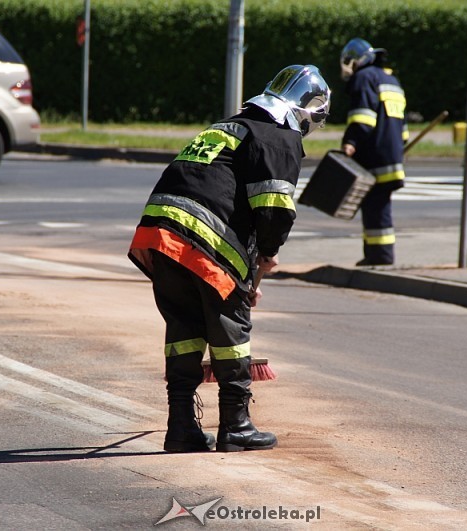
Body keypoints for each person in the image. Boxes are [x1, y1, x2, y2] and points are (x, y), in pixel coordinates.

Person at [128, 65, 331, 453]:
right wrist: (267, 255)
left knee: (185, 329)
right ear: (306, 112)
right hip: (203, 237)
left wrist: (253, 262)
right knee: (230, 330)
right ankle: (236, 425)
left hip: (158, 235)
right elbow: (274, 207)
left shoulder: (227, 127)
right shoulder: (279, 137)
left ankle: (181, 427)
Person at [339, 38, 409, 266]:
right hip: (393, 157)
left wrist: (350, 141)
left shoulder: (364, 78)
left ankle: (381, 256)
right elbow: (403, 129)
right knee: (377, 204)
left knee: (375, 206)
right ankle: (375, 254)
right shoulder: (392, 81)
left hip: (373, 157)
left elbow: (363, 117)